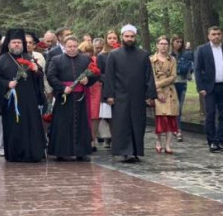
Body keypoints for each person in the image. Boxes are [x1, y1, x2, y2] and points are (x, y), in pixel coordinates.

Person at [102, 25, 156, 162]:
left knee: (138, 124)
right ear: (122, 37)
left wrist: (150, 95)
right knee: (122, 124)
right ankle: (125, 151)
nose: (129, 39)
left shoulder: (143, 55)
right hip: (120, 96)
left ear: (135, 37)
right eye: (127, 36)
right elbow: (109, 77)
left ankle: (136, 151)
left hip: (138, 95)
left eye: (132, 36)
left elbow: (149, 76)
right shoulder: (114, 55)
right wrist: (109, 95)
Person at [0, 29, 46, 162]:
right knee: (14, 126)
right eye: (14, 42)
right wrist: (7, 83)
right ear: (9, 44)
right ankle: (15, 154)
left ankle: (33, 153)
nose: (17, 45)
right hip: (11, 101)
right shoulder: (2, 60)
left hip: (29, 100)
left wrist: (36, 70)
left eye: (19, 42)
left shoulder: (29, 58)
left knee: (31, 125)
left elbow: (40, 76)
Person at [46, 36, 99, 161]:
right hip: (64, 97)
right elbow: (51, 76)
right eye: (69, 46)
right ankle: (61, 152)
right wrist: (62, 88)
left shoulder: (85, 59)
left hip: (80, 97)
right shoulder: (56, 59)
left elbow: (95, 74)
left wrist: (88, 80)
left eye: (75, 46)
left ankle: (82, 152)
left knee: (81, 124)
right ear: (64, 47)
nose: (72, 49)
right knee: (62, 124)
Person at [194, 26, 223, 153]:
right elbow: (197, 70)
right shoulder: (202, 50)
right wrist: (201, 87)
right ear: (209, 36)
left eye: (218, 34)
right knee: (210, 114)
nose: (216, 36)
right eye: (213, 34)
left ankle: (220, 140)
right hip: (209, 88)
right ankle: (212, 142)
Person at [150, 36, 178, 154]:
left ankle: (168, 144)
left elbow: (173, 76)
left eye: (166, 44)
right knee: (160, 118)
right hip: (157, 92)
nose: (163, 46)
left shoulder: (172, 59)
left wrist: (159, 84)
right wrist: (158, 90)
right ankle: (158, 141)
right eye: (161, 43)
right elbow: (151, 76)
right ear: (157, 45)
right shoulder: (151, 59)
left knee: (171, 118)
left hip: (170, 91)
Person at [171, 35, 194, 141]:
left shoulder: (186, 54)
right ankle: (175, 128)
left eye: (181, 42)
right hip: (171, 83)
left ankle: (177, 129)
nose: (179, 43)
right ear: (172, 42)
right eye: (177, 41)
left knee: (179, 107)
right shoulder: (169, 54)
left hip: (182, 82)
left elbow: (188, 67)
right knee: (173, 107)